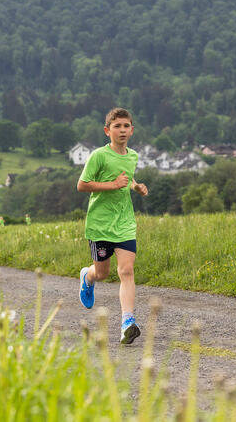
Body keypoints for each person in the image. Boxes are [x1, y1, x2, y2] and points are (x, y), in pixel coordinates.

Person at [76, 107, 149, 344]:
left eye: (126, 126)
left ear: (132, 130)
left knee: (126, 271)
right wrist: (114, 184)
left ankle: (127, 322)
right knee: (102, 273)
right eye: (117, 126)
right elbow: (82, 185)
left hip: (125, 222)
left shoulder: (133, 156)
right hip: (100, 224)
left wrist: (135, 186)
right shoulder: (99, 155)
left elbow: (127, 177)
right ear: (108, 131)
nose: (122, 130)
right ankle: (87, 277)